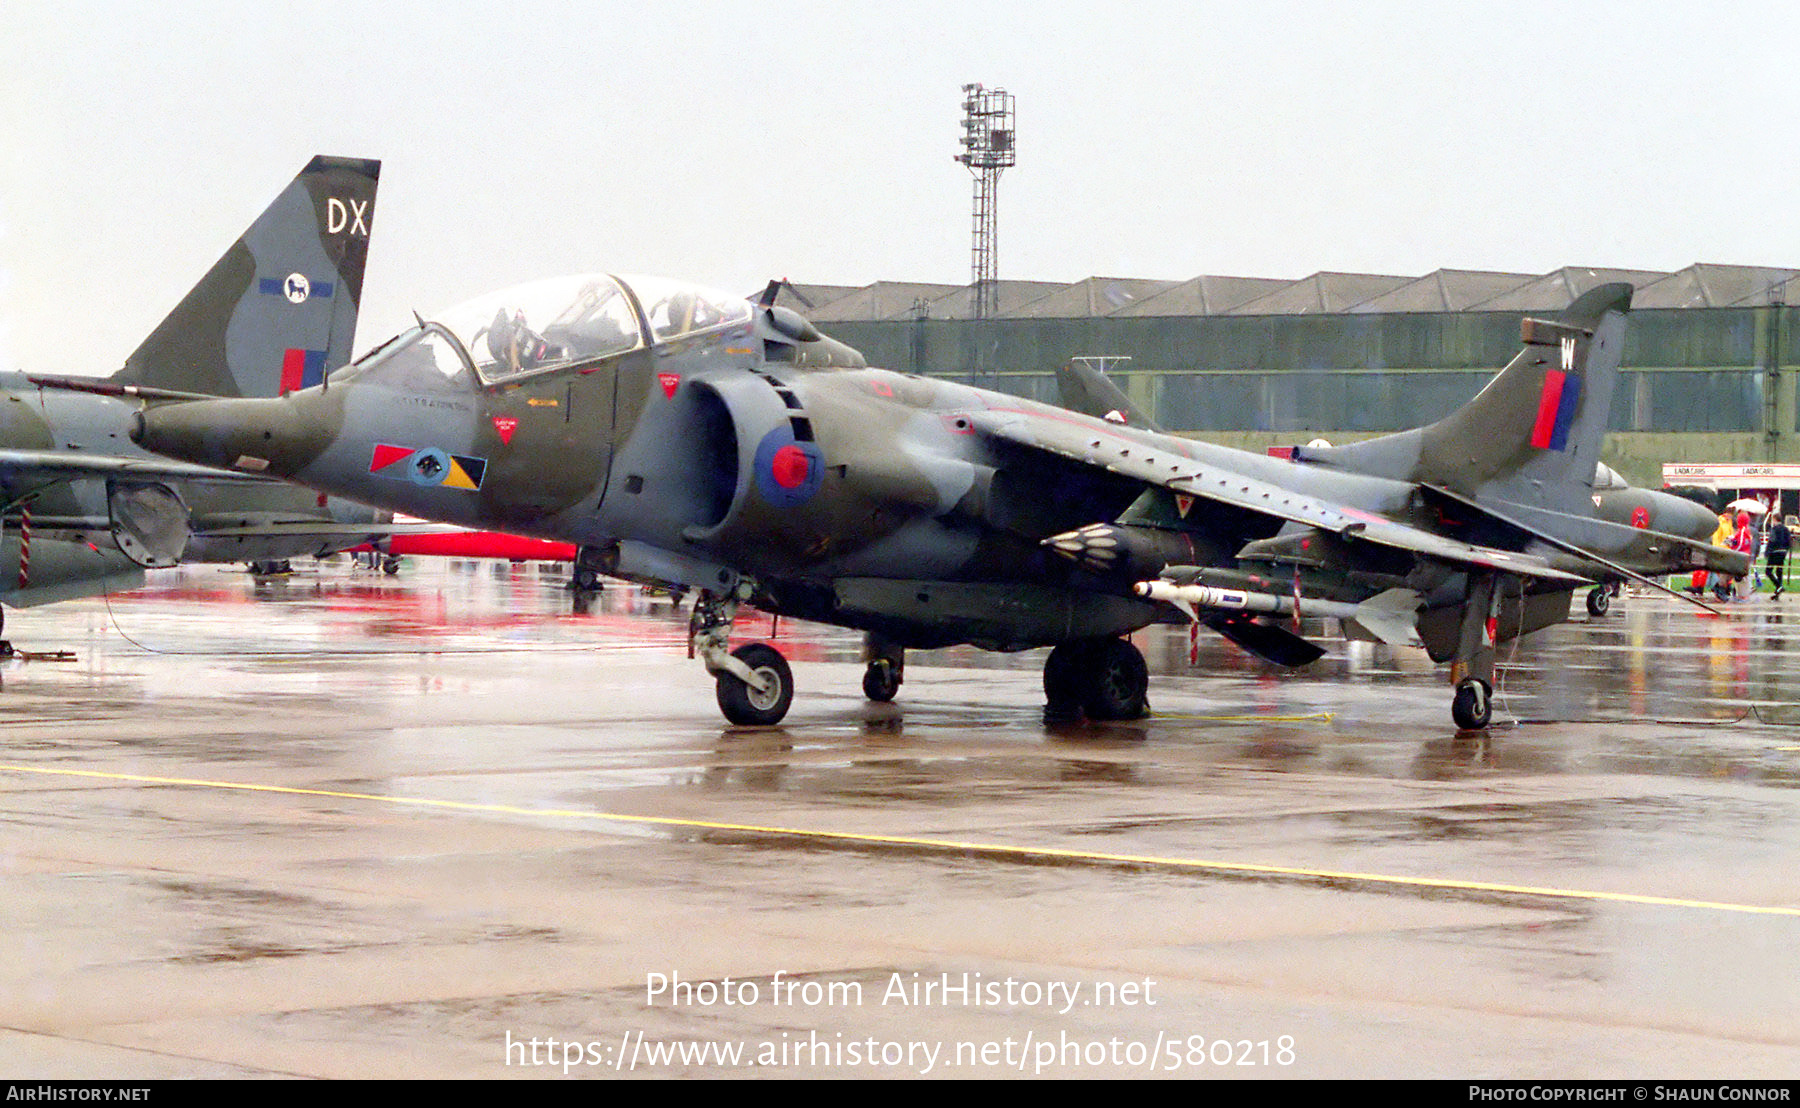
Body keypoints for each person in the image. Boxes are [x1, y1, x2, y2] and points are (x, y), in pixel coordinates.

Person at [1770, 515, 1793, 599]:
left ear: (1775, 520)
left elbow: (1772, 540)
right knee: (1779, 571)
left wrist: (1768, 551)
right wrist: (1786, 550)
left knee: (1768, 571)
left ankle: (1779, 586)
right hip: (1783, 552)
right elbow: (1789, 542)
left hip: (1774, 552)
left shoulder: (1774, 529)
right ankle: (1778, 592)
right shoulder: (1786, 529)